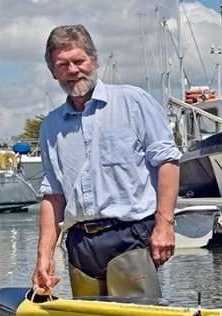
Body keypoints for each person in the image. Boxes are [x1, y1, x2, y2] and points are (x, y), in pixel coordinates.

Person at [32, 25, 182, 298]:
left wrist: (165, 226)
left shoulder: (133, 102)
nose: (73, 70)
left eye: (79, 61)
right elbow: (53, 196)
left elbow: (168, 163)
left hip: (130, 236)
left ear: (94, 60)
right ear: (53, 72)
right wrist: (44, 257)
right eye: (63, 64)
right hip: (80, 244)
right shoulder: (51, 126)